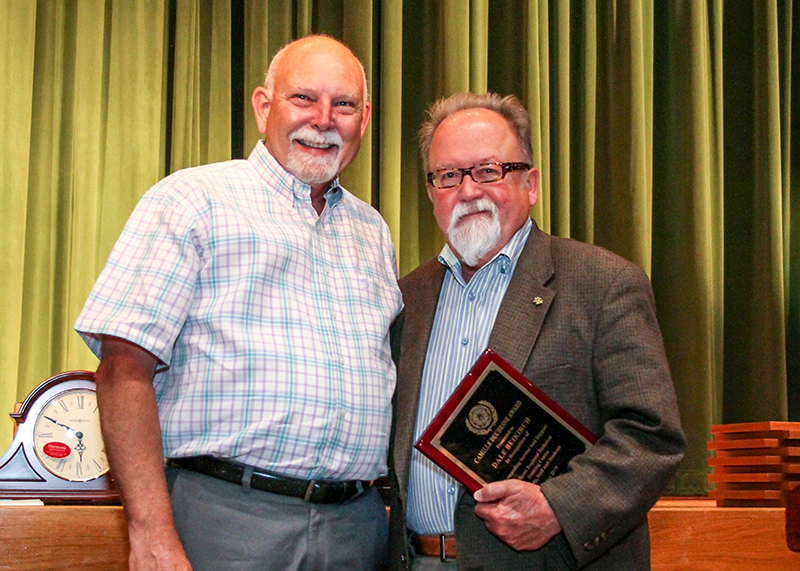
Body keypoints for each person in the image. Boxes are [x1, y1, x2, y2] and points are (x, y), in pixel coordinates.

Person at [75, 35, 402, 571]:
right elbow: (121, 372)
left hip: (357, 529)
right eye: (303, 98)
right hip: (223, 520)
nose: (323, 119)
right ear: (262, 106)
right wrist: (151, 530)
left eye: (343, 104)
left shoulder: (373, 233)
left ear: (363, 120)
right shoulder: (191, 201)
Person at [387, 92, 686, 571]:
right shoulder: (406, 298)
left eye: (488, 170)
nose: (468, 191)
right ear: (431, 193)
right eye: (448, 176)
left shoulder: (604, 283)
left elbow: (651, 436)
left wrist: (559, 508)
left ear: (531, 183)